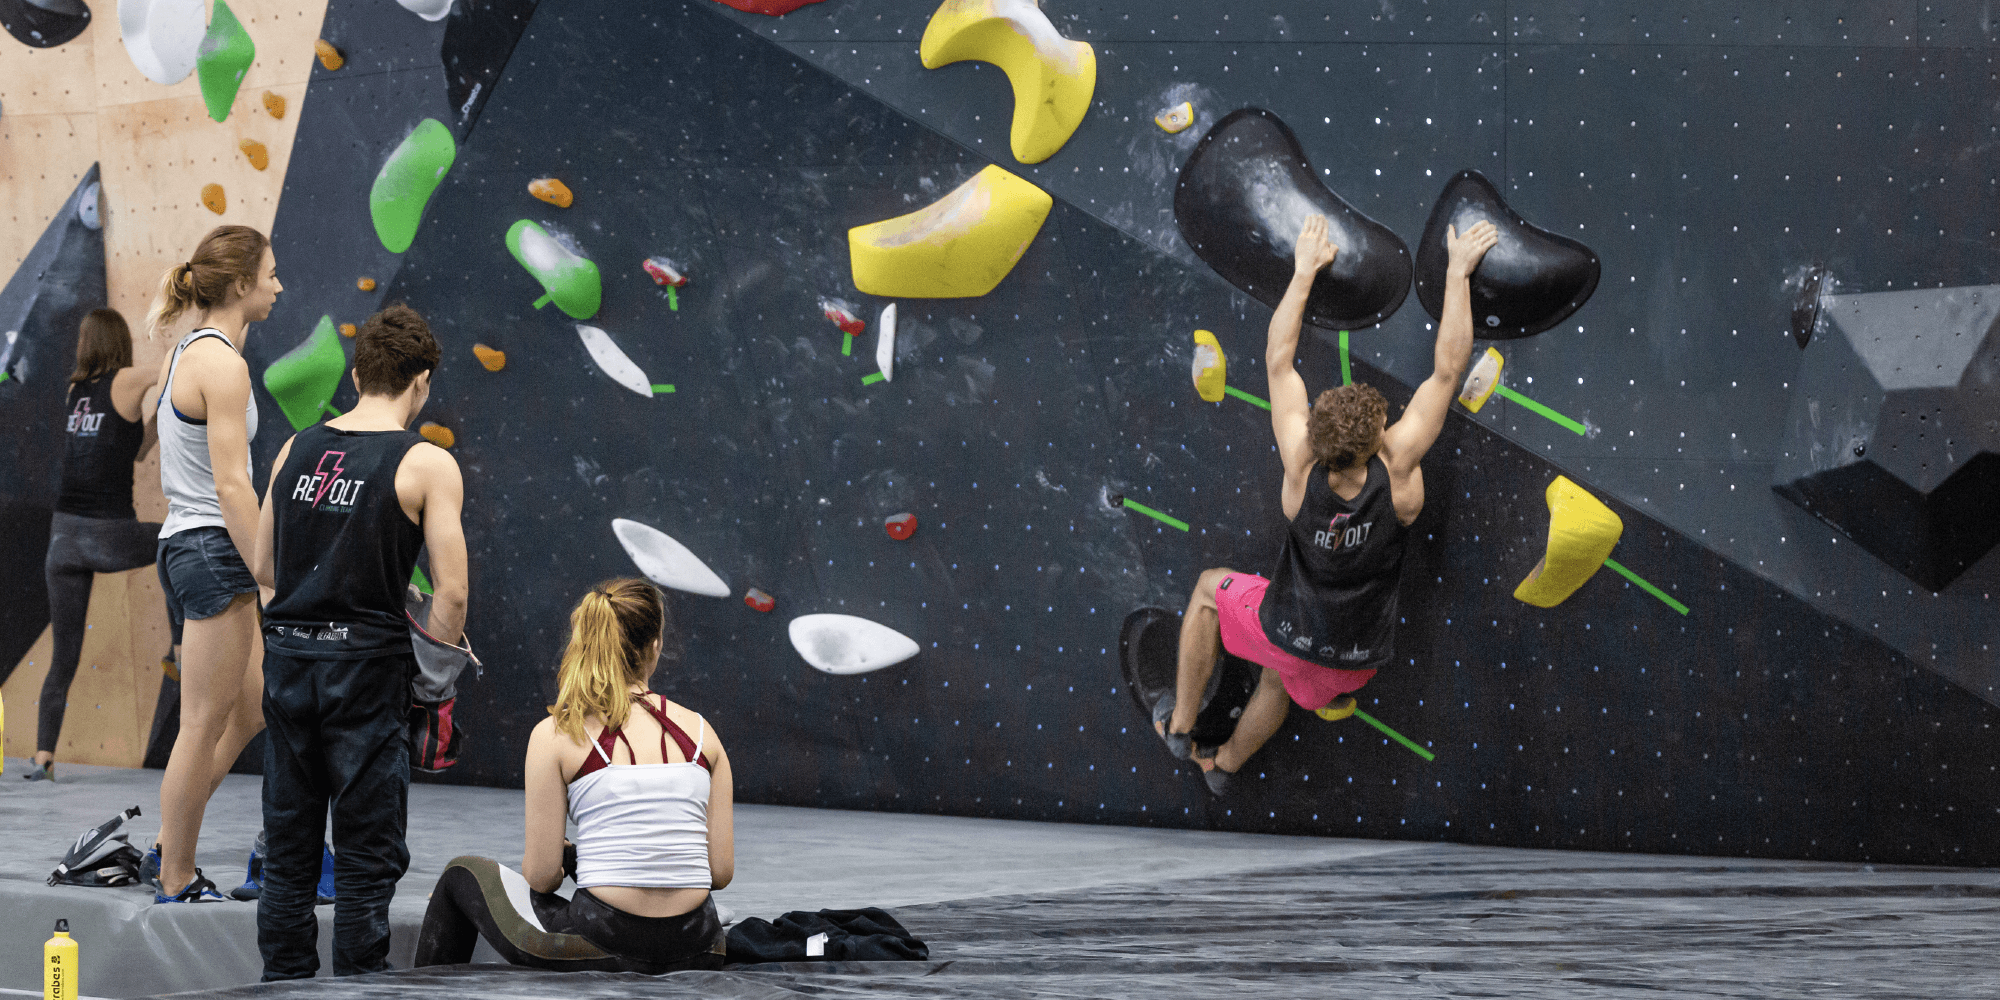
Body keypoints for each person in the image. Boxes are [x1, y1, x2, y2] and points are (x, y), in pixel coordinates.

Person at [1154, 214, 1498, 795]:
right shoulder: (1401, 473)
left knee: (1212, 590)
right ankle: (1227, 766)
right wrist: (1459, 272)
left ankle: (1181, 727)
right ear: (1381, 434)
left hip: (1288, 632)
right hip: (1354, 662)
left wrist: (1304, 269)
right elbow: (1448, 370)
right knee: (1281, 681)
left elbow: (1278, 360)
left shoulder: (1300, 466)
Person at [251, 304, 468, 979]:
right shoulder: (427, 463)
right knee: (366, 860)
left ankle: (281, 989)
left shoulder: (296, 448)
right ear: (422, 382)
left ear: (356, 373)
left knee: (288, 853)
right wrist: (433, 687)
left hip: (289, 663)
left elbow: (263, 568)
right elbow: (453, 594)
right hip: (367, 673)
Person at [412, 579, 733, 973]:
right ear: (655, 647)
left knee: (461, 874)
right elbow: (719, 873)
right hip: (700, 945)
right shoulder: (704, 735)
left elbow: (542, 878)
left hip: (601, 942)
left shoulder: (557, 734)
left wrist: (567, 859)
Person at [144, 225, 282, 901]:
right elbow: (233, 487)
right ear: (239, 285)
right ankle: (175, 874)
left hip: (194, 544)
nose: (279, 287)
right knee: (201, 720)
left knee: (250, 707)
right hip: (211, 547)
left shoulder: (199, 351)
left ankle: (171, 838)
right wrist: (269, 574)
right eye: (270, 276)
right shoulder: (220, 365)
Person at [18, 310, 164, 782]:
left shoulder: (74, 392)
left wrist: (157, 424)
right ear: (120, 342)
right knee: (184, 537)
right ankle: (181, 643)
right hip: (107, 534)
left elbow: (134, 451)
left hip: (62, 538)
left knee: (65, 654)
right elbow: (174, 368)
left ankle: (43, 754)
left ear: (86, 344)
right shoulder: (128, 378)